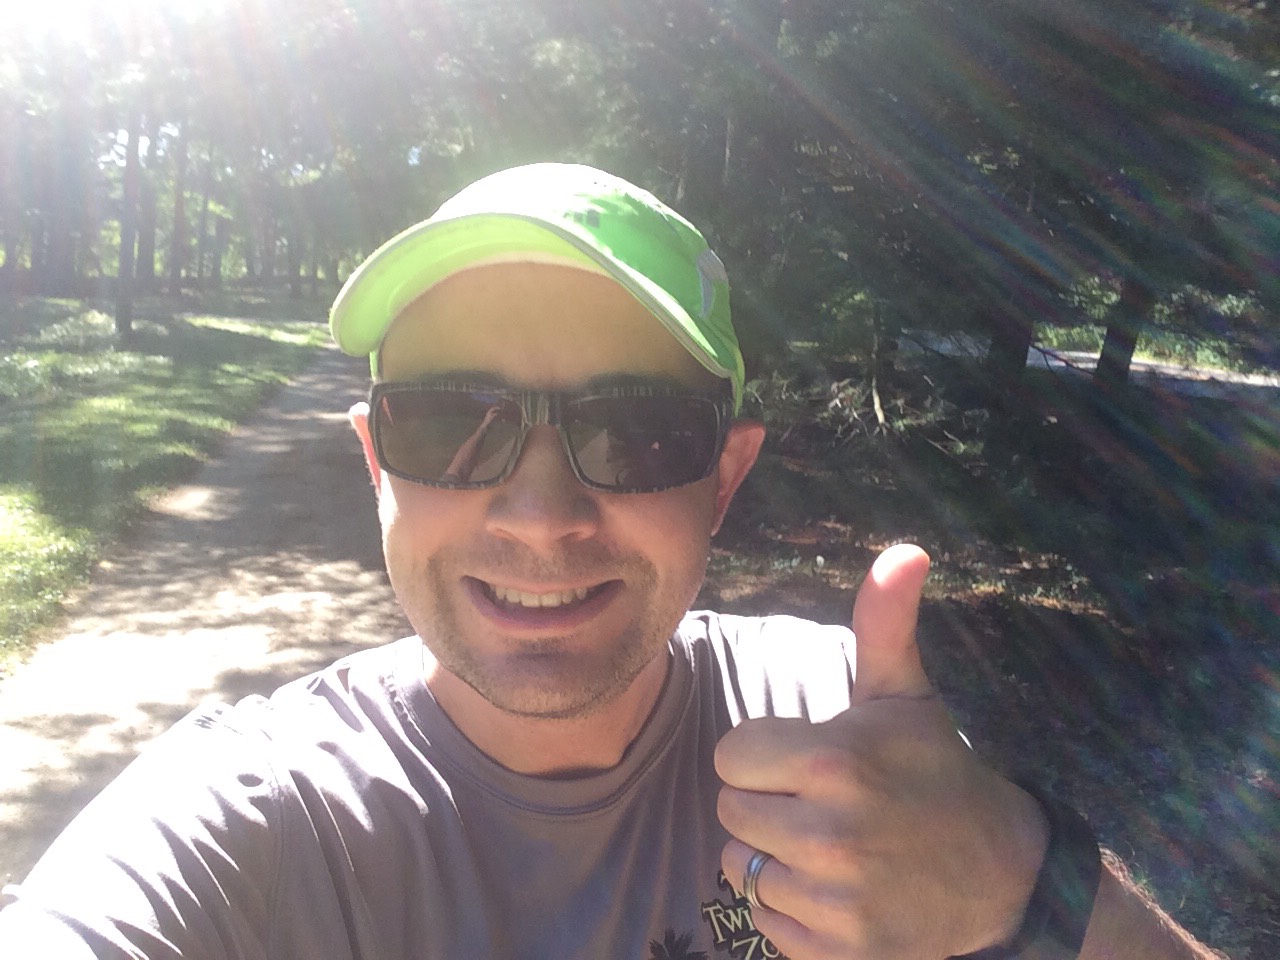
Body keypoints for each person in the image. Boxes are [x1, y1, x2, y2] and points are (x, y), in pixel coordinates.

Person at [0, 163, 1222, 960]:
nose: (541, 517)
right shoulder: (246, 823)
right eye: (450, 422)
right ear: (376, 460)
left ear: (724, 477)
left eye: (636, 431)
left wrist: (1026, 882)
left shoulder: (826, 721)